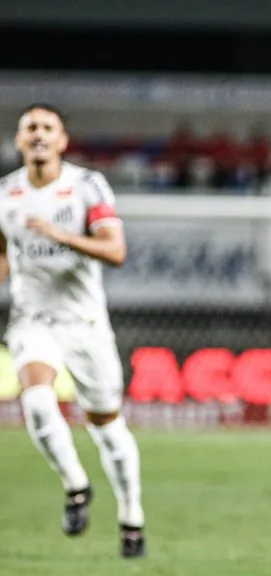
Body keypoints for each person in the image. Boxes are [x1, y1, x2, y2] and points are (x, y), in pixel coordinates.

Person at [0, 104, 146, 558]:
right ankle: (76, 486)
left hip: (85, 323)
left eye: (48, 127)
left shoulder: (86, 186)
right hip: (32, 318)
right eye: (30, 128)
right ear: (19, 141)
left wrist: (62, 236)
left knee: (107, 426)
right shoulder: (5, 194)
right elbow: (3, 253)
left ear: (62, 141)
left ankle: (132, 515)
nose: (38, 134)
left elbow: (115, 250)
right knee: (37, 400)